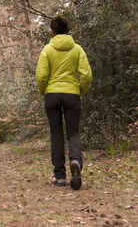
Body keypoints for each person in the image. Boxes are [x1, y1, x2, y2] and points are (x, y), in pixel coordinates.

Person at [35, 16, 92, 190]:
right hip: (72, 95)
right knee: (73, 133)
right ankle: (75, 161)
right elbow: (87, 74)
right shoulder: (77, 49)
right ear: (67, 30)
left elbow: (41, 75)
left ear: (52, 31)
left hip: (52, 94)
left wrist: (43, 90)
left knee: (56, 135)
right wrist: (80, 90)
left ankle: (59, 176)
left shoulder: (47, 49)